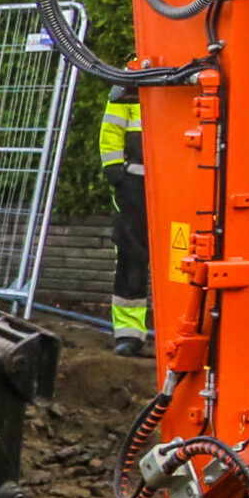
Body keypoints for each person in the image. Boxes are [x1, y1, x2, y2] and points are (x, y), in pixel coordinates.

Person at [99, 77, 149, 356]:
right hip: (135, 184)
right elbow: (112, 125)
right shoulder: (131, 76)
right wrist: (115, 167)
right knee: (132, 256)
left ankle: (182, 329)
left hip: (181, 181)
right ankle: (130, 334)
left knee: (181, 258)